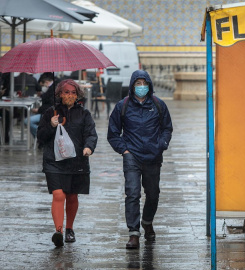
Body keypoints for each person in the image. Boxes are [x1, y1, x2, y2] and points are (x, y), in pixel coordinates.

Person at [107, 70, 173, 249]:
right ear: (132, 85)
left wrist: (162, 144)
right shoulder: (123, 106)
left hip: (153, 156)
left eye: (144, 83)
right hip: (132, 157)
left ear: (149, 85)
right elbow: (113, 133)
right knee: (132, 193)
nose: (141, 87)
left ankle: (147, 221)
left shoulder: (159, 105)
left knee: (153, 194)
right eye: (138, 84)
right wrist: (125, 150)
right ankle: (133, 233)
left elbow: (167, 128)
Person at [37, 79, 98, 247]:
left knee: (72, 196)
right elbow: (40, 137)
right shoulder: (51, 112)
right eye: (66, 92)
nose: (70, 95)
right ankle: (59, 231)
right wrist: (51, 125)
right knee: (58, 194)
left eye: (73, 92)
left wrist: (88, 147)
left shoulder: (84, 114)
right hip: (54, 161)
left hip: (76, 161)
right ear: (60, 94)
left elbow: (91, 134)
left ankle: (69, 228)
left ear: (78, 95)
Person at [24, 72, 56, 139]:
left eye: (43, 85)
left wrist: (39, 110)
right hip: (49, 114)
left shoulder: (52, 90)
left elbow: (50, 105)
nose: (43, 88)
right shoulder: (54, 88)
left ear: (47, 82)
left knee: (27, 121)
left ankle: (43, 136)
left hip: (48, 115)